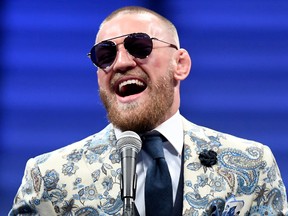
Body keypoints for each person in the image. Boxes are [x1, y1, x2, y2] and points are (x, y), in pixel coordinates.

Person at [9, 6, 287, 216]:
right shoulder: (50, 176)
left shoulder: (250, 164)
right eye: (104, 55)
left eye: (139, 46)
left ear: (180, 64)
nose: (120, 64)